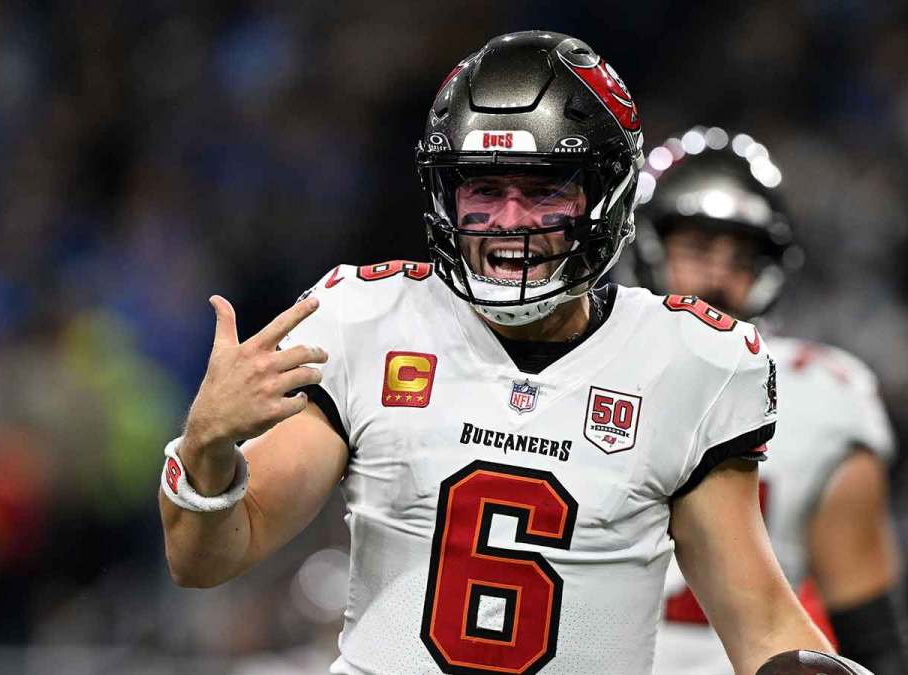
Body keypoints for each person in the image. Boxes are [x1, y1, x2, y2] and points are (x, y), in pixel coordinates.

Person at [159, 33, 846, 675]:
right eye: (485, 189)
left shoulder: (685, 362)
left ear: (605, 195)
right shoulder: (368, 320)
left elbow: (762, 626)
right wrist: (207, 446)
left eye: (544, 189)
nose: (510, 222)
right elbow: (204, 558)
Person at [620, 126, 908, 674]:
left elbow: (874, 636)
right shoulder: (583, 363)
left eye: (741, 258)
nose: (718, 276)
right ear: (647, 244)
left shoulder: (821, 400)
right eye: (698, 248)